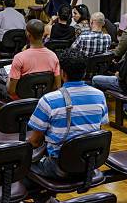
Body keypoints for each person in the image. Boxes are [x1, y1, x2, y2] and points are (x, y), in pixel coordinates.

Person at [26, 48, 109, 183]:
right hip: (89, 163)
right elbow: (97, 128)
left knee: (20, 167)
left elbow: (35, 142)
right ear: (85, 72)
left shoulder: (48, 100)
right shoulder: (99, 95)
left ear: (62, 73)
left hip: (59, 167)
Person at [6, 19, 61, 99]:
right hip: (44, 98)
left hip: (21, 101)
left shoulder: (19, 58)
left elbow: (11, 90)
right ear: (43, 34)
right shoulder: (53, 56)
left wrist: (8, 78)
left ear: (28, 34)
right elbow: (57, 86)